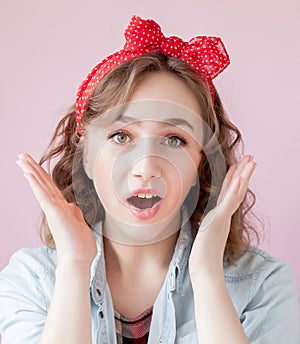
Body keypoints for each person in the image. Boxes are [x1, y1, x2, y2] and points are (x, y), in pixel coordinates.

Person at [0, 14, 299, 344]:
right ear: (86, 154)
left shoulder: (263, 285)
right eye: (121, 136)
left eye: (174, 139)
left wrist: (207, 275)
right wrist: (73, 268)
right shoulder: (30, 281)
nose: (145, 167)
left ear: (202, 164)